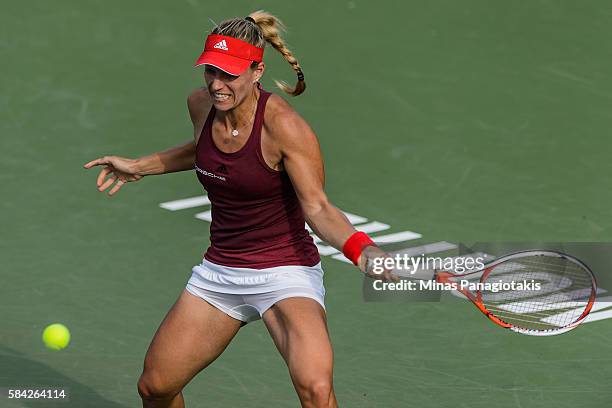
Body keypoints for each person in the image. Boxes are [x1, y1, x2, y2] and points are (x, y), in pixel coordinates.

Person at [83, 10, 396, 408]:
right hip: (221, 272)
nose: (217, 84)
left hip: (285, 272)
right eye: (211, 71)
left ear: (257, 71)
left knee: (316, 390)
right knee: (156, 387)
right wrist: (140, 166)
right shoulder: (200, 105)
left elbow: (317, 207)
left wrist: (361, 249)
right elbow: (205, 149)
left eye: (229, 74)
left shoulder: (284, 127)